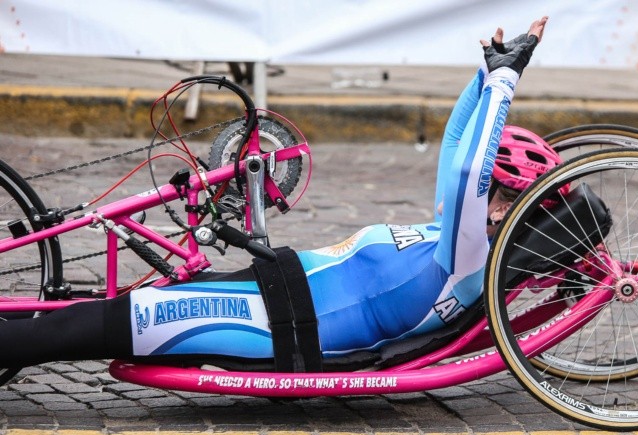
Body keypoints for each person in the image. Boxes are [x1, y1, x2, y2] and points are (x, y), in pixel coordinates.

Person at [0, 17, 562, 372]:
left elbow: (469, 174)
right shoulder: (455, 241)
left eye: (498, 194)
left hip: (271, 319)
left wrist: (505, 84)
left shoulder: (467, 261)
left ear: (498, 209)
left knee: (90, 327)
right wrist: (486, 74)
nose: (478, 194)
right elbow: (456, 149)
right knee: (88, 315)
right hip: (274, 287)